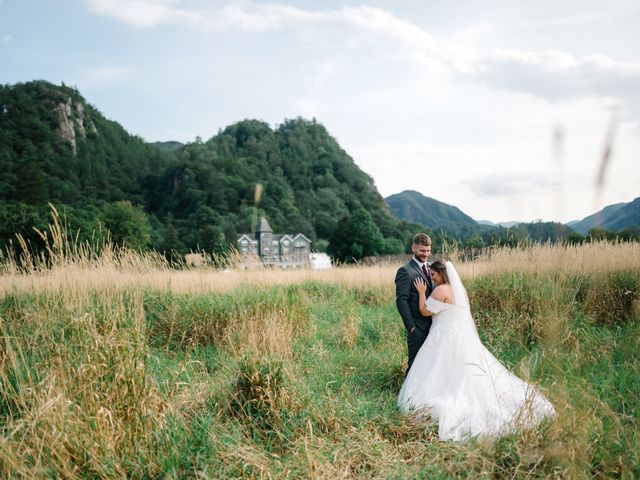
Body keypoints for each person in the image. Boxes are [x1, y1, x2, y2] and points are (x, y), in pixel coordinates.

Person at [397, 260, 555, 441]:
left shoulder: (441, 290)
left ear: (441, 274)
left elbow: (425, 311)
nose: (431, 278)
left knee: (442, 366)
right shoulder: (457, 290)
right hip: (457, 334)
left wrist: (421, 292)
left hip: (443, 335)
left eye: (433, 275)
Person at [395, 233, 435, 375]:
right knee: (415, 364)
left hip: (435, 326)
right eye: (422, 251)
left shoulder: (432, 269)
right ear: (413, 248)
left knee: (431, 364)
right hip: (417, 328)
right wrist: (411, 327)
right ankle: (408, 397)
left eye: (428, 251)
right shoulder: (405, 271)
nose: (426, 254)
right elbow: (401, 301)